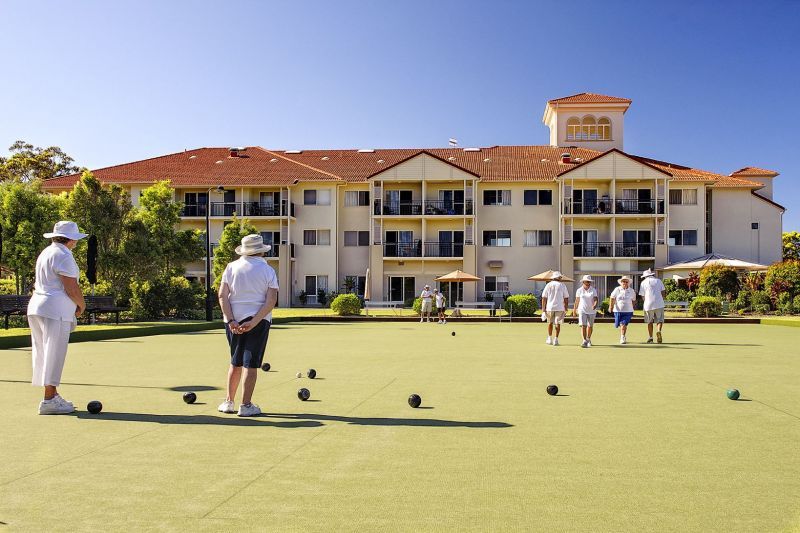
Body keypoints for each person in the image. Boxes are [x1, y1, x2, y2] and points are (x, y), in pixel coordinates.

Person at [28, 221, 87, 415]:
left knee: (43, 352)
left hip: (37, 306)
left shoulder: (45, 253)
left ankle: (52, 395)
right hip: (55, 309)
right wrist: (81, 304)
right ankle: (49, 399)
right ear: (71, 240)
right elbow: (70, 287)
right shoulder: (64, 255)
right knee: (55, 352)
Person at [217, 234, 279, 417]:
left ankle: (228, 402)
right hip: (259, 321)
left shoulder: (231, 267)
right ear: (261, 250)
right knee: (250, 364)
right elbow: (271, 300)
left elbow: (222, 296)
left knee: (235, 362)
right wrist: (255, 321)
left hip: (233, 321)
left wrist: (230, 320)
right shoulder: (268, 270)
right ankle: (246, 405)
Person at [540, 271, 569, 346]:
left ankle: (549, 338)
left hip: (550, 307)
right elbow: (566, 298)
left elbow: (544, 297)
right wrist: (566, 308)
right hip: (560, 307)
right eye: (560, 277)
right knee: (557, 323)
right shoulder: (562, 285)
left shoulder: (548, 285)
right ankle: (556, 339)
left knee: (550, 323)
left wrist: (543, 310)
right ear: (558, 277)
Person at [639, 268, 666, 343]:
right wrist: (661, 299)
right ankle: (659, 331)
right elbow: (663, 292)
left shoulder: (643, 283)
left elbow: (642, 296)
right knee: (660, 320)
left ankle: (650, 338)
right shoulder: (658, 281)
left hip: (648, 305)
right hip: (659, 303)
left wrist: (646, 301)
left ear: (645, 276)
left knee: (649, 321)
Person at [572, 275, 598, 348]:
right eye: (587, 281)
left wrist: (595, 305)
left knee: (590, 326)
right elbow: (577, 301)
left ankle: (588, 339)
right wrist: (574, 310)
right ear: (583, 282)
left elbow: (596, 299)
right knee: (583, 326)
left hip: (592, 311)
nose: (588, 283)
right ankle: (584, 340)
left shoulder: (593, 290)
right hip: (582, 310)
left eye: (589, 282)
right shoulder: (579, 290)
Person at [609, 275, 636, 344]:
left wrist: (632, 307)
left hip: (628, 311)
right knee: (619, 325)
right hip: (618, 311)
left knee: (623, 324)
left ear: (628, 283)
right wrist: (610, 307)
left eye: (626, 282)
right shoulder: (617, 289)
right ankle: (623, 335)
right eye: (623, 281)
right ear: (621, 282)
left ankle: (622, 337)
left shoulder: (632, 291)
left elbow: (633, 300)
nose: (625, 283)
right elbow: (612, 298)